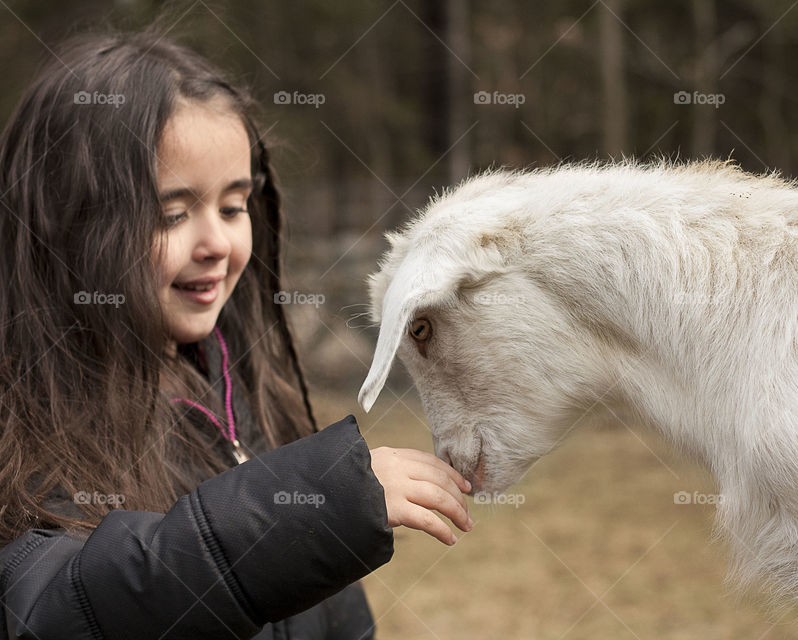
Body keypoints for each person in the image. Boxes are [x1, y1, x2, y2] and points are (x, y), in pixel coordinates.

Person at [0, 28, 473, 640]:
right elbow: (58, 613)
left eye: (232, 206)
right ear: (70, 224)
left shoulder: (240, 386)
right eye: (172, 214)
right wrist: (310, 505)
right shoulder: (28, 429)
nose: (218, 244)